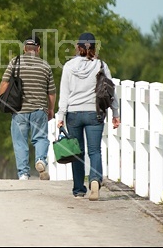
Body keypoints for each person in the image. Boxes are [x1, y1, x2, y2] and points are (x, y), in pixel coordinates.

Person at [56, 32, 121, 201]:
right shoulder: (101, 65)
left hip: (74, 114)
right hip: (95, 113)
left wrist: (60, 115)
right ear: (93, 47)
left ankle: (78, 189)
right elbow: (110, 90)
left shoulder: (69, 66)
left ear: (78, 47)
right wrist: (116, 113)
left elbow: (64, 94)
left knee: (77, 152)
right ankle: (94, 180)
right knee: (94, 150)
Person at [0, 34, 56, 181]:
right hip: (39, 110)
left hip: (19, 110)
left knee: (20, 141)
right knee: (41, 138)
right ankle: (40, 160)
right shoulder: (45, 66)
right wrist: (51, 109)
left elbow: (4, 83)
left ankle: (24, 174)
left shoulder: (15, 62)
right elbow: (51, 92)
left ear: (24, 48)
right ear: (38, 48)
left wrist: (3, 101)